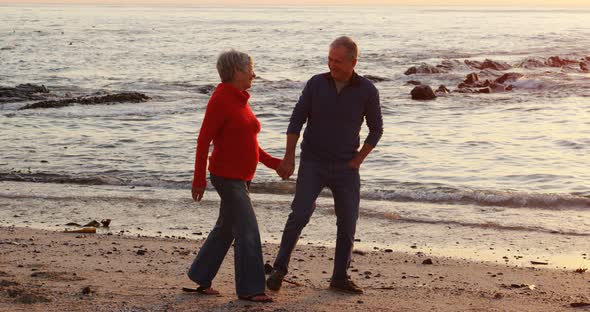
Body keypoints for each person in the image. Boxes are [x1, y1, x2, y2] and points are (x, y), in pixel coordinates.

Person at [267, 36, 383, 294]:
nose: (332, 64)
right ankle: (279, 269)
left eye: (338, 61)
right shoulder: (316, 84)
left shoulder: (367, 90)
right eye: (330, 59)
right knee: (299, 214)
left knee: (348, 221)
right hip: (313, 162)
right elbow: (296, 120)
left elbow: (376, 130)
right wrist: (289, 157)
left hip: (346, 167)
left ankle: (339, 277)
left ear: (353, 61)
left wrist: (358, 160)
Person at [187, 49, 281, 303]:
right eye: (250, 68)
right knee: (248, 229)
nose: (254, 73)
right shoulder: (220, 99)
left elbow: (248, 142)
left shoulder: (239, 99)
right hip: (226, 177)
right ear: (237, 72)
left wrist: (275, 164)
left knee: (225, 228)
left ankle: (200, 276)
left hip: (241, 176)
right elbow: (203, 140)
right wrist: (199, 179)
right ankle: (250, 289)